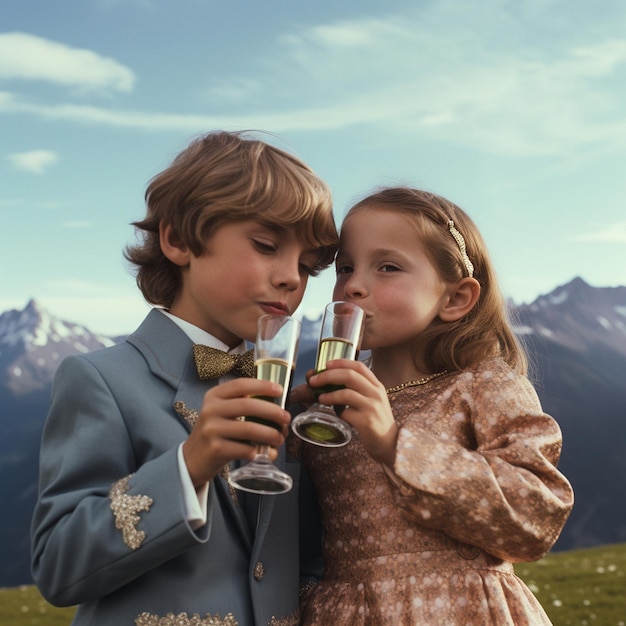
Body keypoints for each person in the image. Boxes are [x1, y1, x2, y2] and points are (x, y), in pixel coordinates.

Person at [31, 130, 338, 626]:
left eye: (307, 266)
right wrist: (188, 466)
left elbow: (303, 566)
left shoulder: (289, 399)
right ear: (177, 241)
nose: (291, 278)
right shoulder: (99, 379)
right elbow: (57, 565)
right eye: (266, 246)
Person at [291, 187, 574, 625]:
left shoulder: (483, 384)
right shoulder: (329, 399)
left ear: (455, 298)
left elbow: (535, 520)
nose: (353, 286)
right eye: (344, 267)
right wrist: (285, 432)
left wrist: (394, 444)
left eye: (387, 267)